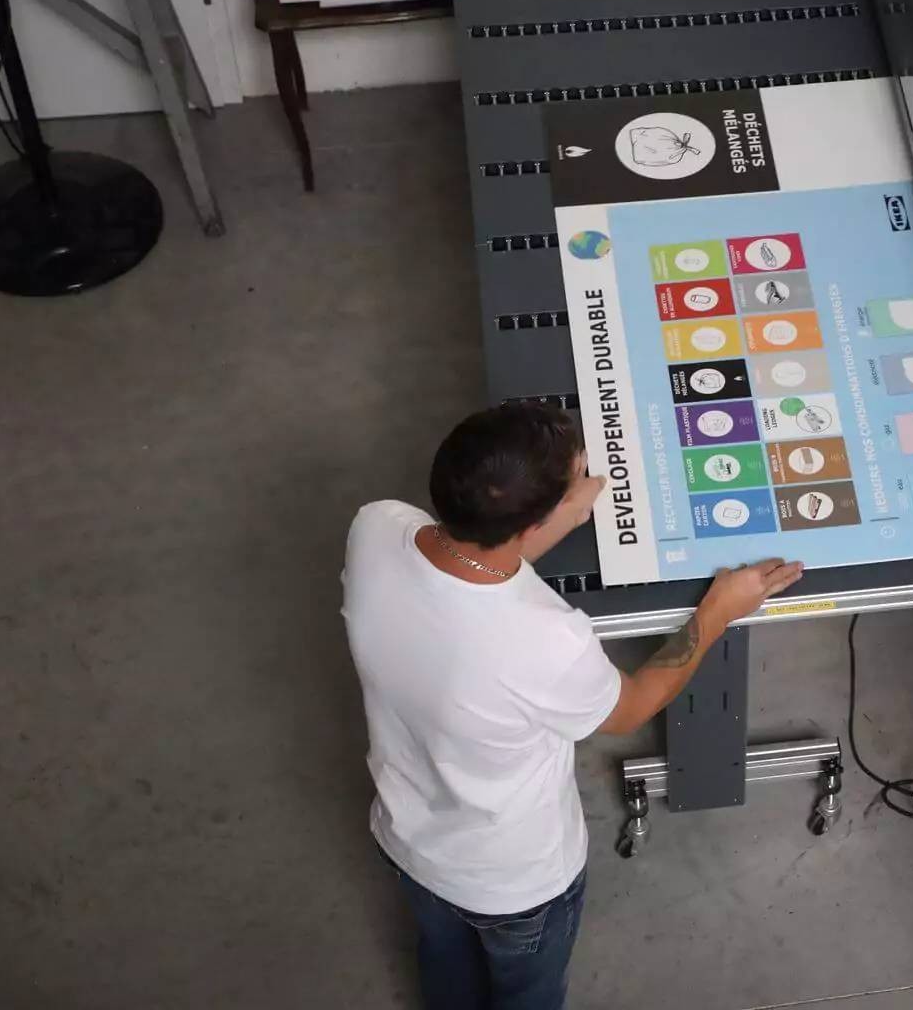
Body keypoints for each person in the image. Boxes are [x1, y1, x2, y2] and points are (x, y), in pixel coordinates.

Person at [342, 402, 802, 1010]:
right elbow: (630, 708)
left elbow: (466, 571)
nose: (592, 480)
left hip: (408, 838)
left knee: (445, 962)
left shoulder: (376, 526)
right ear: (533, 523)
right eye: (582, 474)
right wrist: (718, 610)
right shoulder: (546, 641)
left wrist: (559, 515)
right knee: (525, 995)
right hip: (514, 882)